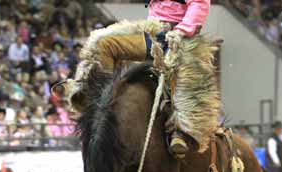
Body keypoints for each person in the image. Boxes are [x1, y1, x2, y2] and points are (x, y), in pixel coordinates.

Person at [62, 0, 221, 159]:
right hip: (153, 32)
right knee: (102, 44)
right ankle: (97, 99)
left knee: (183, 75)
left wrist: (182, 31)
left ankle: (180, 131)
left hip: (179, 36)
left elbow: (199, 3)